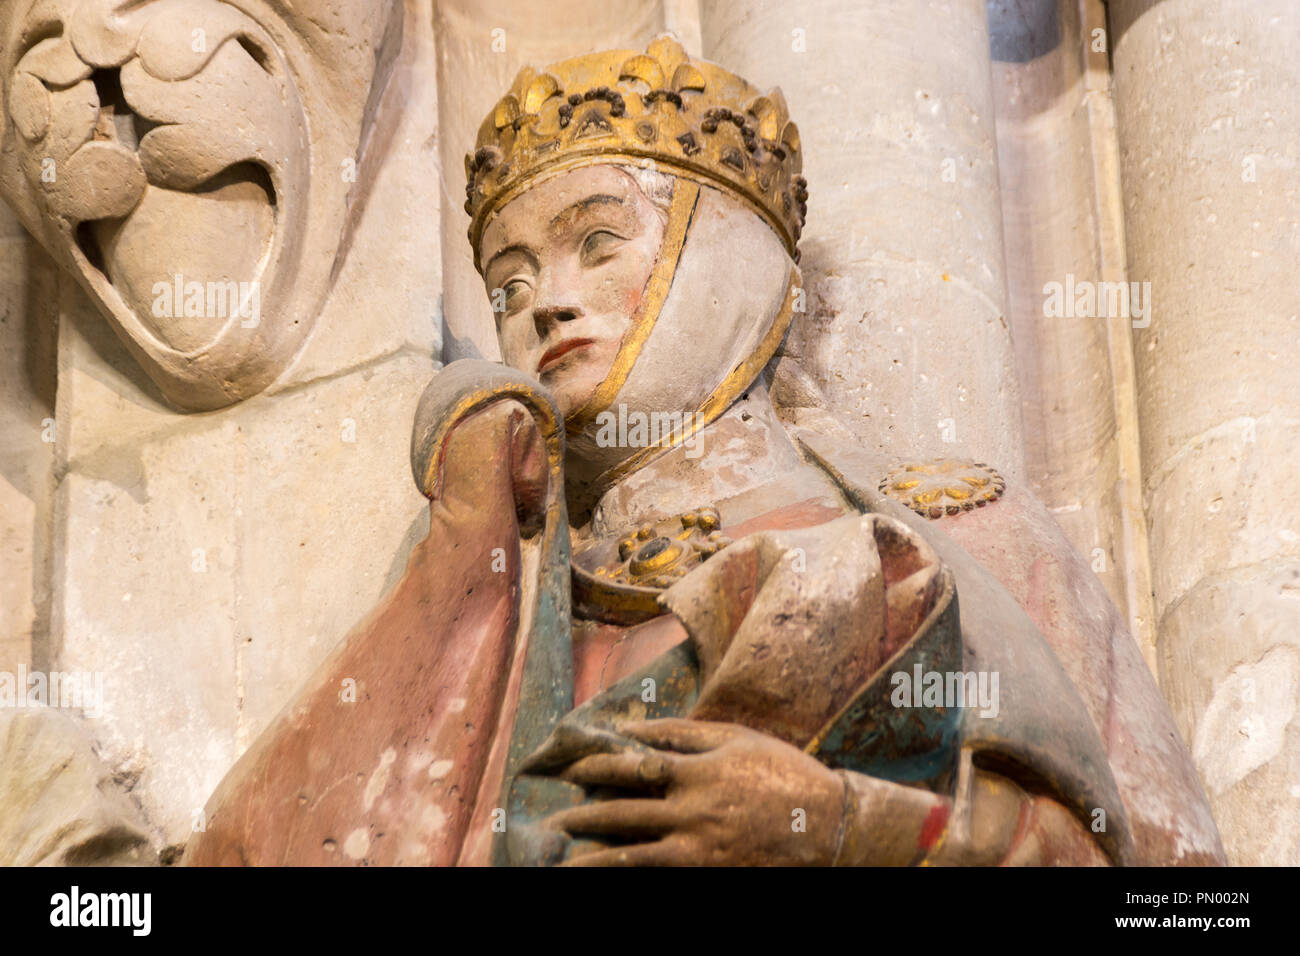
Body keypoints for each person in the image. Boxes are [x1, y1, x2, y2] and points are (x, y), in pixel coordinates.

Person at [186, 36, 1223, 867]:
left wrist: (836, 824)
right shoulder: (492, 594)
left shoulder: (958, 534)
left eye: (597, 242)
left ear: (728, 251)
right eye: (505, 285)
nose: (543, 300)